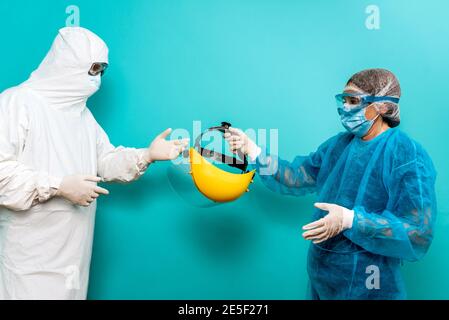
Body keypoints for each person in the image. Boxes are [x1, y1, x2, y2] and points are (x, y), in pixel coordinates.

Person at [0, 27, 188, 300]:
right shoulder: (17, 103)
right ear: (68, 63)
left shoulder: (82, 116)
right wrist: (58, 186)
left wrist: (146, 155)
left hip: (74, 257)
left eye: (102, 70)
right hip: (29, 257)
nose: (97, 79)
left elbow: (105, 160)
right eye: (92, 69)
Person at [225, 69, 437, 300]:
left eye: (354, 101)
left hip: (370, 282)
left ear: (383, 106)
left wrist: (350, 220)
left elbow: (417, 231)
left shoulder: (406, 154)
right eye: (343, 100)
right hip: (323, 276)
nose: (345, 108)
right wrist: (253, 152)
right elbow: (296, 177)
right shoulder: (339, 145)